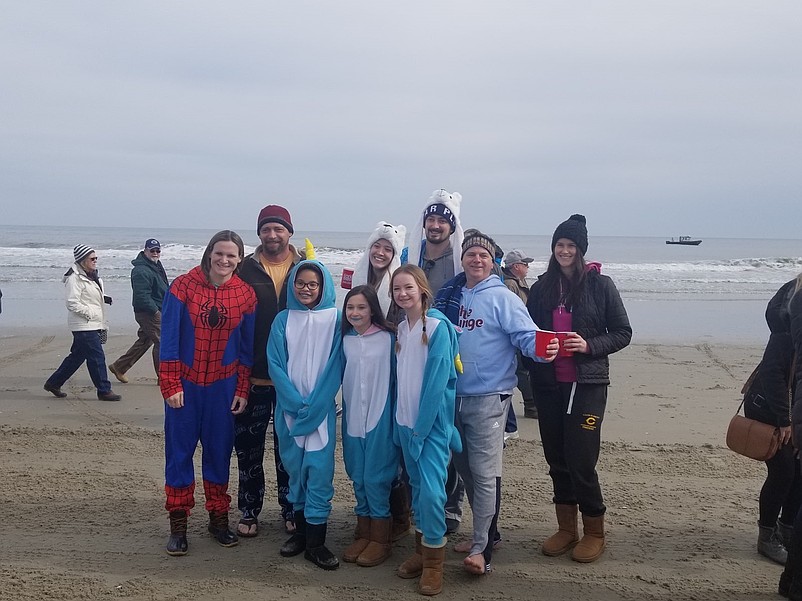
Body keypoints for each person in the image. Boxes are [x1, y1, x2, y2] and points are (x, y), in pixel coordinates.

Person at [434, 231, 557, 575]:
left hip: (490, 397)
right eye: (471, 254)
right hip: (451, 396)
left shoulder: (502, 297)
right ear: (462, 259)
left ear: (493, 263)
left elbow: (526, 335)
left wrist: (542, 350)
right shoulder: (452, 295)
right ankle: (488, 533)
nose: (476, 260)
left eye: (483, 256)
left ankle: (481, 550)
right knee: (465, 470)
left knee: (486, 474)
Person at [526, 214, 632, 563]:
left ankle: (595, 532)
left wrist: (587, 346)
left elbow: (622, 333)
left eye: (571, 246)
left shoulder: (601, 286)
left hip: (587, 385)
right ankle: (567, 529)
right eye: (560, 245)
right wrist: (540, 350)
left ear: (581, 250)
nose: (565, 251)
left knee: (581, 460)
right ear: (553, 249)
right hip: (549, 385)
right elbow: (527, 334)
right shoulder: (541, 288)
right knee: (557, 459)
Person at [160, 230, 257, 557]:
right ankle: (179, 523)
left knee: (219, 453)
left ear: (240, 258)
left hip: (224, 386)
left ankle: (218, 518)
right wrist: (170, 383)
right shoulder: (182, 287)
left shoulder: (245, 295)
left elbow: (247, 348)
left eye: (231, 255)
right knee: (179, 453)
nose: (224, 260)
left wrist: (242, 387)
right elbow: (169, 339)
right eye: (220, 253)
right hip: (185, 387)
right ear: (209, 253)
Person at [268, 258, 343, 570]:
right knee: (295, 471)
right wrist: (294, 403)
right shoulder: (283, 320)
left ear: (322, 285)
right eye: (300, 283)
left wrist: (317, 404)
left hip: (321, 413)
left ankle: (316, 542)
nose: (306, 289)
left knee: (319, 473)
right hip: (289, 412)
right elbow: (275, 363)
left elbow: (337, 365)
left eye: (313, 284)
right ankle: (300, 534)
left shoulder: (336, 320)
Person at [391, 264, 460, 596]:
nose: (402, 294)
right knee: (417, 489)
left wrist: (421, 430)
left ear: (421, 289)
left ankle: (435, 564)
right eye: (396, 290)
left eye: (408, 288)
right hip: (404, 424)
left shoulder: (437, 327)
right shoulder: (402, 330)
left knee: (433, 493)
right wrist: (400, 425)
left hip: (428, 428)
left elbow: (437, 384)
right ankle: (422, 552)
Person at [235, 205, 301, 538]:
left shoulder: (306, 266)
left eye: (278, 229)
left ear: (289, 232)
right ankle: (249, 510)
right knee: (249, 449)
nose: (272, 235)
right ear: (259, 233)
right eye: (266, 229)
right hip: (253, 376)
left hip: (293, 378)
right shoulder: (244, 268)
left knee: (288, 449)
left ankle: (290, 507)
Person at [405, 188, 466, 535]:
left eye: (443, 220)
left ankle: (451, 507)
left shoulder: (458, 258)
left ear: (451, 225)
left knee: (444, 432)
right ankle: (418, 504)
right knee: (413, 427)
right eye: (431, 219)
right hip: (413, 352)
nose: (436, 225)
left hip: (449, 357)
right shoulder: (412, 255)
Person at [340, 285, 399, 567]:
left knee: (377, 478)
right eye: (350, 307)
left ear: (372, 309)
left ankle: (381, 539)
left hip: (380, 417)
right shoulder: (344, 340)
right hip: (352, 419)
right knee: (358, 476)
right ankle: (363, 533)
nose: (355, 312)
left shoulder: (388, 338)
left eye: (361, 307)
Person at [743, 329, 798, 564]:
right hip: (769, 406)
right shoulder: (787, 324)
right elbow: (772, 372)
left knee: (798, 468)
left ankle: (787, 530)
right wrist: (785, 419)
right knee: (783, 470)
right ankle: (766, 536)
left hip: (795, 408)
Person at [44, 244, 121, 402]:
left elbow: (88, 295)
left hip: (93, 323)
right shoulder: (74, 278)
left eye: (96, 258)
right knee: (97, 356)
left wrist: (103, 298)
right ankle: (104, 390)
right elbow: (72, 303)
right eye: (92, 258)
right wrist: (91, 313)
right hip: (84, 325)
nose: (95, 261)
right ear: (82, 260)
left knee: (77, 356)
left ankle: (53, 383)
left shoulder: (92, 275)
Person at [108, 238, 169, 383]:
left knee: (145, 340)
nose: (155, 253)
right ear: (145, 251)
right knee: (162, 341)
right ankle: (164, 378)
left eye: (157, 250)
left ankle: (119, 367)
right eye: (152, 250)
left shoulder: (155, 266)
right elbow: (141, 296)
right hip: (148, 312)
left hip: (157, 309)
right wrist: (155, 312)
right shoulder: (141, 271)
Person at [503, 249, 538, 420]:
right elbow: (511, 312)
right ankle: (531, 405)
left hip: (522, 332)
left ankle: (532, 404)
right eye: (525, 264)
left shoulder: (519, 282)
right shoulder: (510, 284)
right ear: (516, 266)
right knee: (521, 370)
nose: (528, 267)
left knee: (524, 369)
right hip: (514, 334)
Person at [350, 221, 406, 317]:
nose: (380, 253)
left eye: (387, 249)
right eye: (376, 246)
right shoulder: (358, 278)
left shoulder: (398, 287)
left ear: (394, 256)